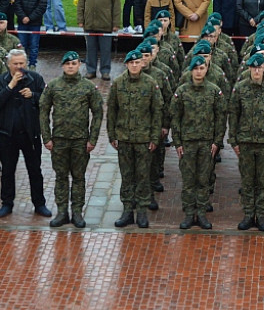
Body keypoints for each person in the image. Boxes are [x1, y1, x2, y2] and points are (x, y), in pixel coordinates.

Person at [39, 51, 103, 229]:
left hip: (80, 141)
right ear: (62, 66)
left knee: (78, 177)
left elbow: (98, 112)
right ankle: (61, 212)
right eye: (67, 64)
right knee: (61, 177)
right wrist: (46, 137)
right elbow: (43, 111)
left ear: (79, 65)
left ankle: (77, 212)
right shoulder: (53, 86)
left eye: (74, 64)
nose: (71, 66)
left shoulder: (88, 87)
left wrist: (93, 138)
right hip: (59, 140)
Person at [228, 52, 264, 232]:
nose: (256, 71)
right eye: (253, 68)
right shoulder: (240, 89)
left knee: (263, 181)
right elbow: (233, 116)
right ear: (249, 69)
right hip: (245, 143)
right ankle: (248, 214)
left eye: (259, 67)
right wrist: (234, 141)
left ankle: (260, 215)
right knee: (247, 181)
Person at [107, 50, 163, 229]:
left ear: (142, 64)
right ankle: (127, 211)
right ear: (126, 64)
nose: (134, 65)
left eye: (137, 62)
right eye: (131, 63)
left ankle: (142, 212)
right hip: (124, 138)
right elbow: (112, 111)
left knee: (143, 176)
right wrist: (112, 135)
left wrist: (155, 137)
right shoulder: (118, 83)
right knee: (127, 175)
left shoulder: (150, 83)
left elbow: (157, 112)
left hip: (144, 139)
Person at [0, 49, 48, 218]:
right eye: (15, 64)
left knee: (35, 170)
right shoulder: (1, 81)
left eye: (22, 63)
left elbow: (46, 101)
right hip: (8, 134)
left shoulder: (35, 79)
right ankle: (7, 203)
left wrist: (34, 96)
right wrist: (11, 86)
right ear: (9, 65)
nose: (19, 67)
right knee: (8, 171)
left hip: (30, 134)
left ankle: (39, 204)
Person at [171, 55, 226, 230]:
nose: (199, 71)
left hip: (206, 142)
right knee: (188, 180)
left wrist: (217, 141)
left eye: (202, 68)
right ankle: (189, 213)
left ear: (206, 70)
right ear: (191, 70)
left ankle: (201, 213)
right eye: (196, 69)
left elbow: (220, 118)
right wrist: (177, 142)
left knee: (203, 180)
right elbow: (175, 119)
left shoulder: (214, 91)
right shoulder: (182, 91)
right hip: (187, 142)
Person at [77, 0, 120, 80]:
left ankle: (105, 71)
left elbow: (116, 5)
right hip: (89, 23)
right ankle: (91, 70)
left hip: (106, 24)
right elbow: (81, 2)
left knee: (106, 50)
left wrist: (116, 23)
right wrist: (80, 19)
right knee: (90, 49)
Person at [13, 0, 47, 69]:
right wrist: (22, 16)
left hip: (35, 23)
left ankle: (32, 64)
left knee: (34, 45)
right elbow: (17, 2)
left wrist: (30, 18)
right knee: (21, 44)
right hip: (22, 22)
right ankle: (21, 63)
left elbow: (42, 6)